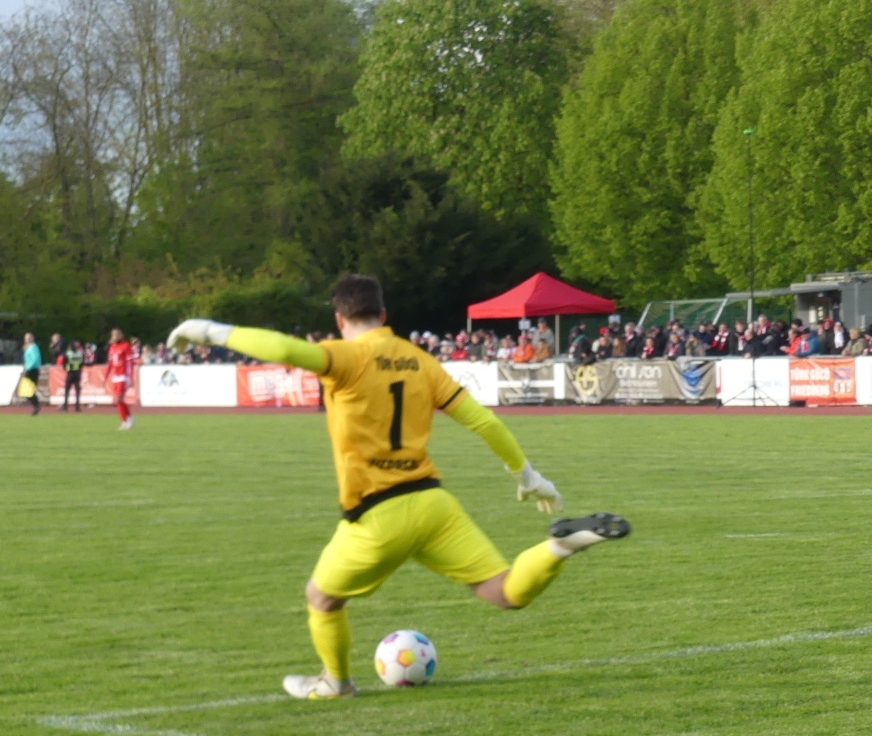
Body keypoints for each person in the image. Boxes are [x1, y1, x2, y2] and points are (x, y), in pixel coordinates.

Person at [166, 274, 630, 700]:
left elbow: (287, 351)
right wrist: (528, 477)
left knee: (321, 598)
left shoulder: (344, 356)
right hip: (432, 504)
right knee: (504, 590)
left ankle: (337, 683)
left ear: (339, 319)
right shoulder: (419, 360)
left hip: (376, 514)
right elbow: (483, 420)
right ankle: (562, 547)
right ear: (385, 315)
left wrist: (208, 329)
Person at [105, 327, 136, 429]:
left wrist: (131, 377)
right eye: (112, 335)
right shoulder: (112, 347)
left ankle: (125, 421)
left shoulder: (126, 346)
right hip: (116, 377)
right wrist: (105, 377)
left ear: (120, 336)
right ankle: (129, 417)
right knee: (119, 400)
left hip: (124, 376)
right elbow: (110, 363)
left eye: (115, 335)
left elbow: (130, 363)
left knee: (119, 399)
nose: (113, 337)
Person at [61, 336, 85, 411]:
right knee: (77, 390)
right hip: (77, 373)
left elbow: (64, 363)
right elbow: (82, 363)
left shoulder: (68, 353)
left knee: (67, 390)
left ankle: (65, 406)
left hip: (70, 373)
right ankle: (77, 407)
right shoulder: (79, 353)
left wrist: (66, 369)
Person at [21, 331, 43, 415]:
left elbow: (34, 360)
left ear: (33, 338)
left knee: (28, 389)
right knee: (27, 390)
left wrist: (27, 369)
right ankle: (36, 405)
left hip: (32, 370)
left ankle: (36, 405)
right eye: (26, 338)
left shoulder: (33, 347)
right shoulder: (29, 347)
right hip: (30, 369)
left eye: (29, 338)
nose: (27, 340)